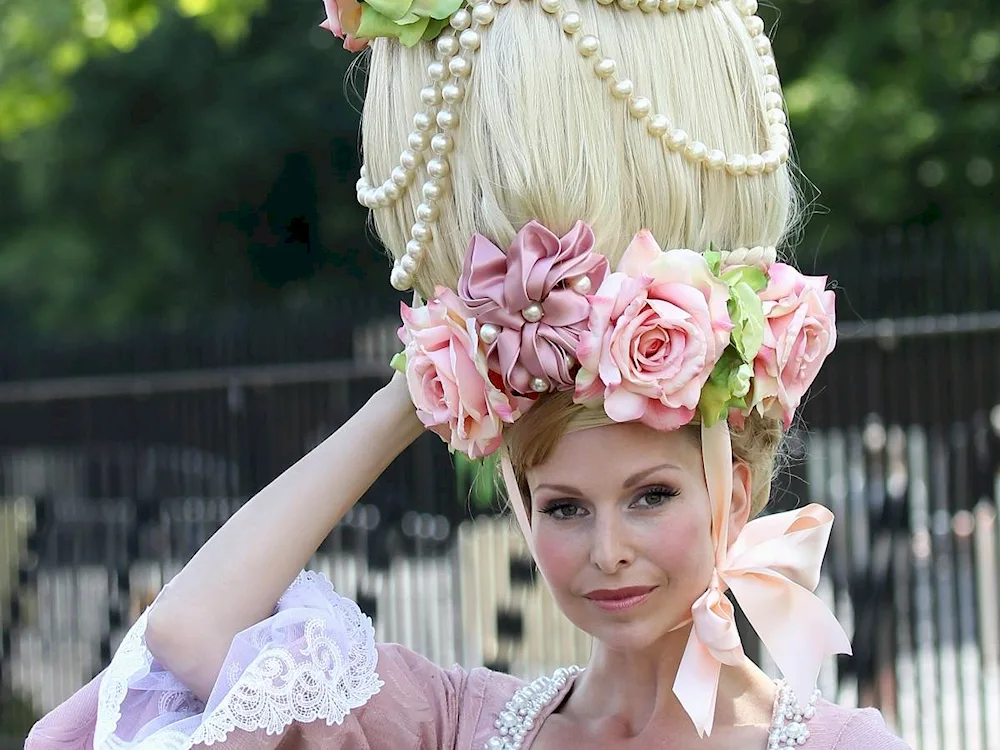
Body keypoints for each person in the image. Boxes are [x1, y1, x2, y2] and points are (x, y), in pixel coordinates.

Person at [26, 0, 912, 747]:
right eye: (564, 507)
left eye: (651, 495)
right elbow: (189, 635)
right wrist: (427, 382)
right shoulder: (453, 724)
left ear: (735, 494)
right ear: (522, 513)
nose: (607, 551)